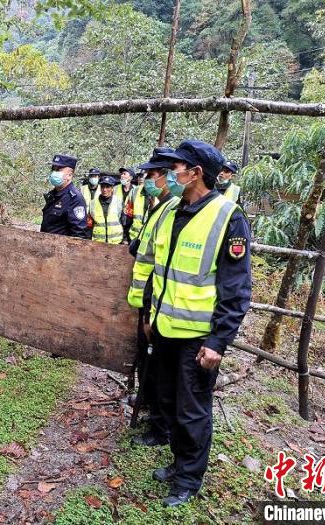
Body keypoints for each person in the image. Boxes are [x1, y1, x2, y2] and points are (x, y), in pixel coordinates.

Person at [142, 140, 251, 506]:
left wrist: (218, 341)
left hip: (198, 337)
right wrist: (149, 316)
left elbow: (235, 289)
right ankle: (177, 465)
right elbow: (161, 272)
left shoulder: (227, 216)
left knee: (192, 411)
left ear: (195, 173)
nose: (171, 174)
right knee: (169, 400)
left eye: (176, 168)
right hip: (165, 329)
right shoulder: (174, 209)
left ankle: (188, 479)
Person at [127, 149, 179, 448]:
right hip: (148, 296)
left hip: (158, 297)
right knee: (149, 358)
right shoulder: (160, 206)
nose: (147, 180)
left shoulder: (173, 207)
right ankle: (149, 405)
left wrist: (151, 307)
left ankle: (160, 426)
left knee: (160, 364)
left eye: (151, 175)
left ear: (165, 176)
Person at [126, 149, 174, 241]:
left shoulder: (175, 206)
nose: (146, 179)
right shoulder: (150, 197)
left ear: (167, 176)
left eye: (151, 175)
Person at [40, 154, 88, 238]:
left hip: (61, 248)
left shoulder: (75, 199)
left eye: (59, 170)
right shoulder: (53, 195)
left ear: (70, 175)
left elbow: (79, 234)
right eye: (53, 169)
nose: (54, 173)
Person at [90, 174, 124, 244]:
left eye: (107, 187)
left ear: (112, 188)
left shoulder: (119, 202)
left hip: (116, 243)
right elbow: (89, 224)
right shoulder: (92, 203)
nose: (104, 190)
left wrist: (125, 239)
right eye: (102, 187)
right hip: (98, 242)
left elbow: (125, 222)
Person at [117, 168, 135, 243]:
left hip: (130, 224)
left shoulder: (136, 190)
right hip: (117, 224)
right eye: (121, 174)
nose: (122, 176)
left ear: (130, 177)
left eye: (124, 174)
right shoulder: (115, 189)